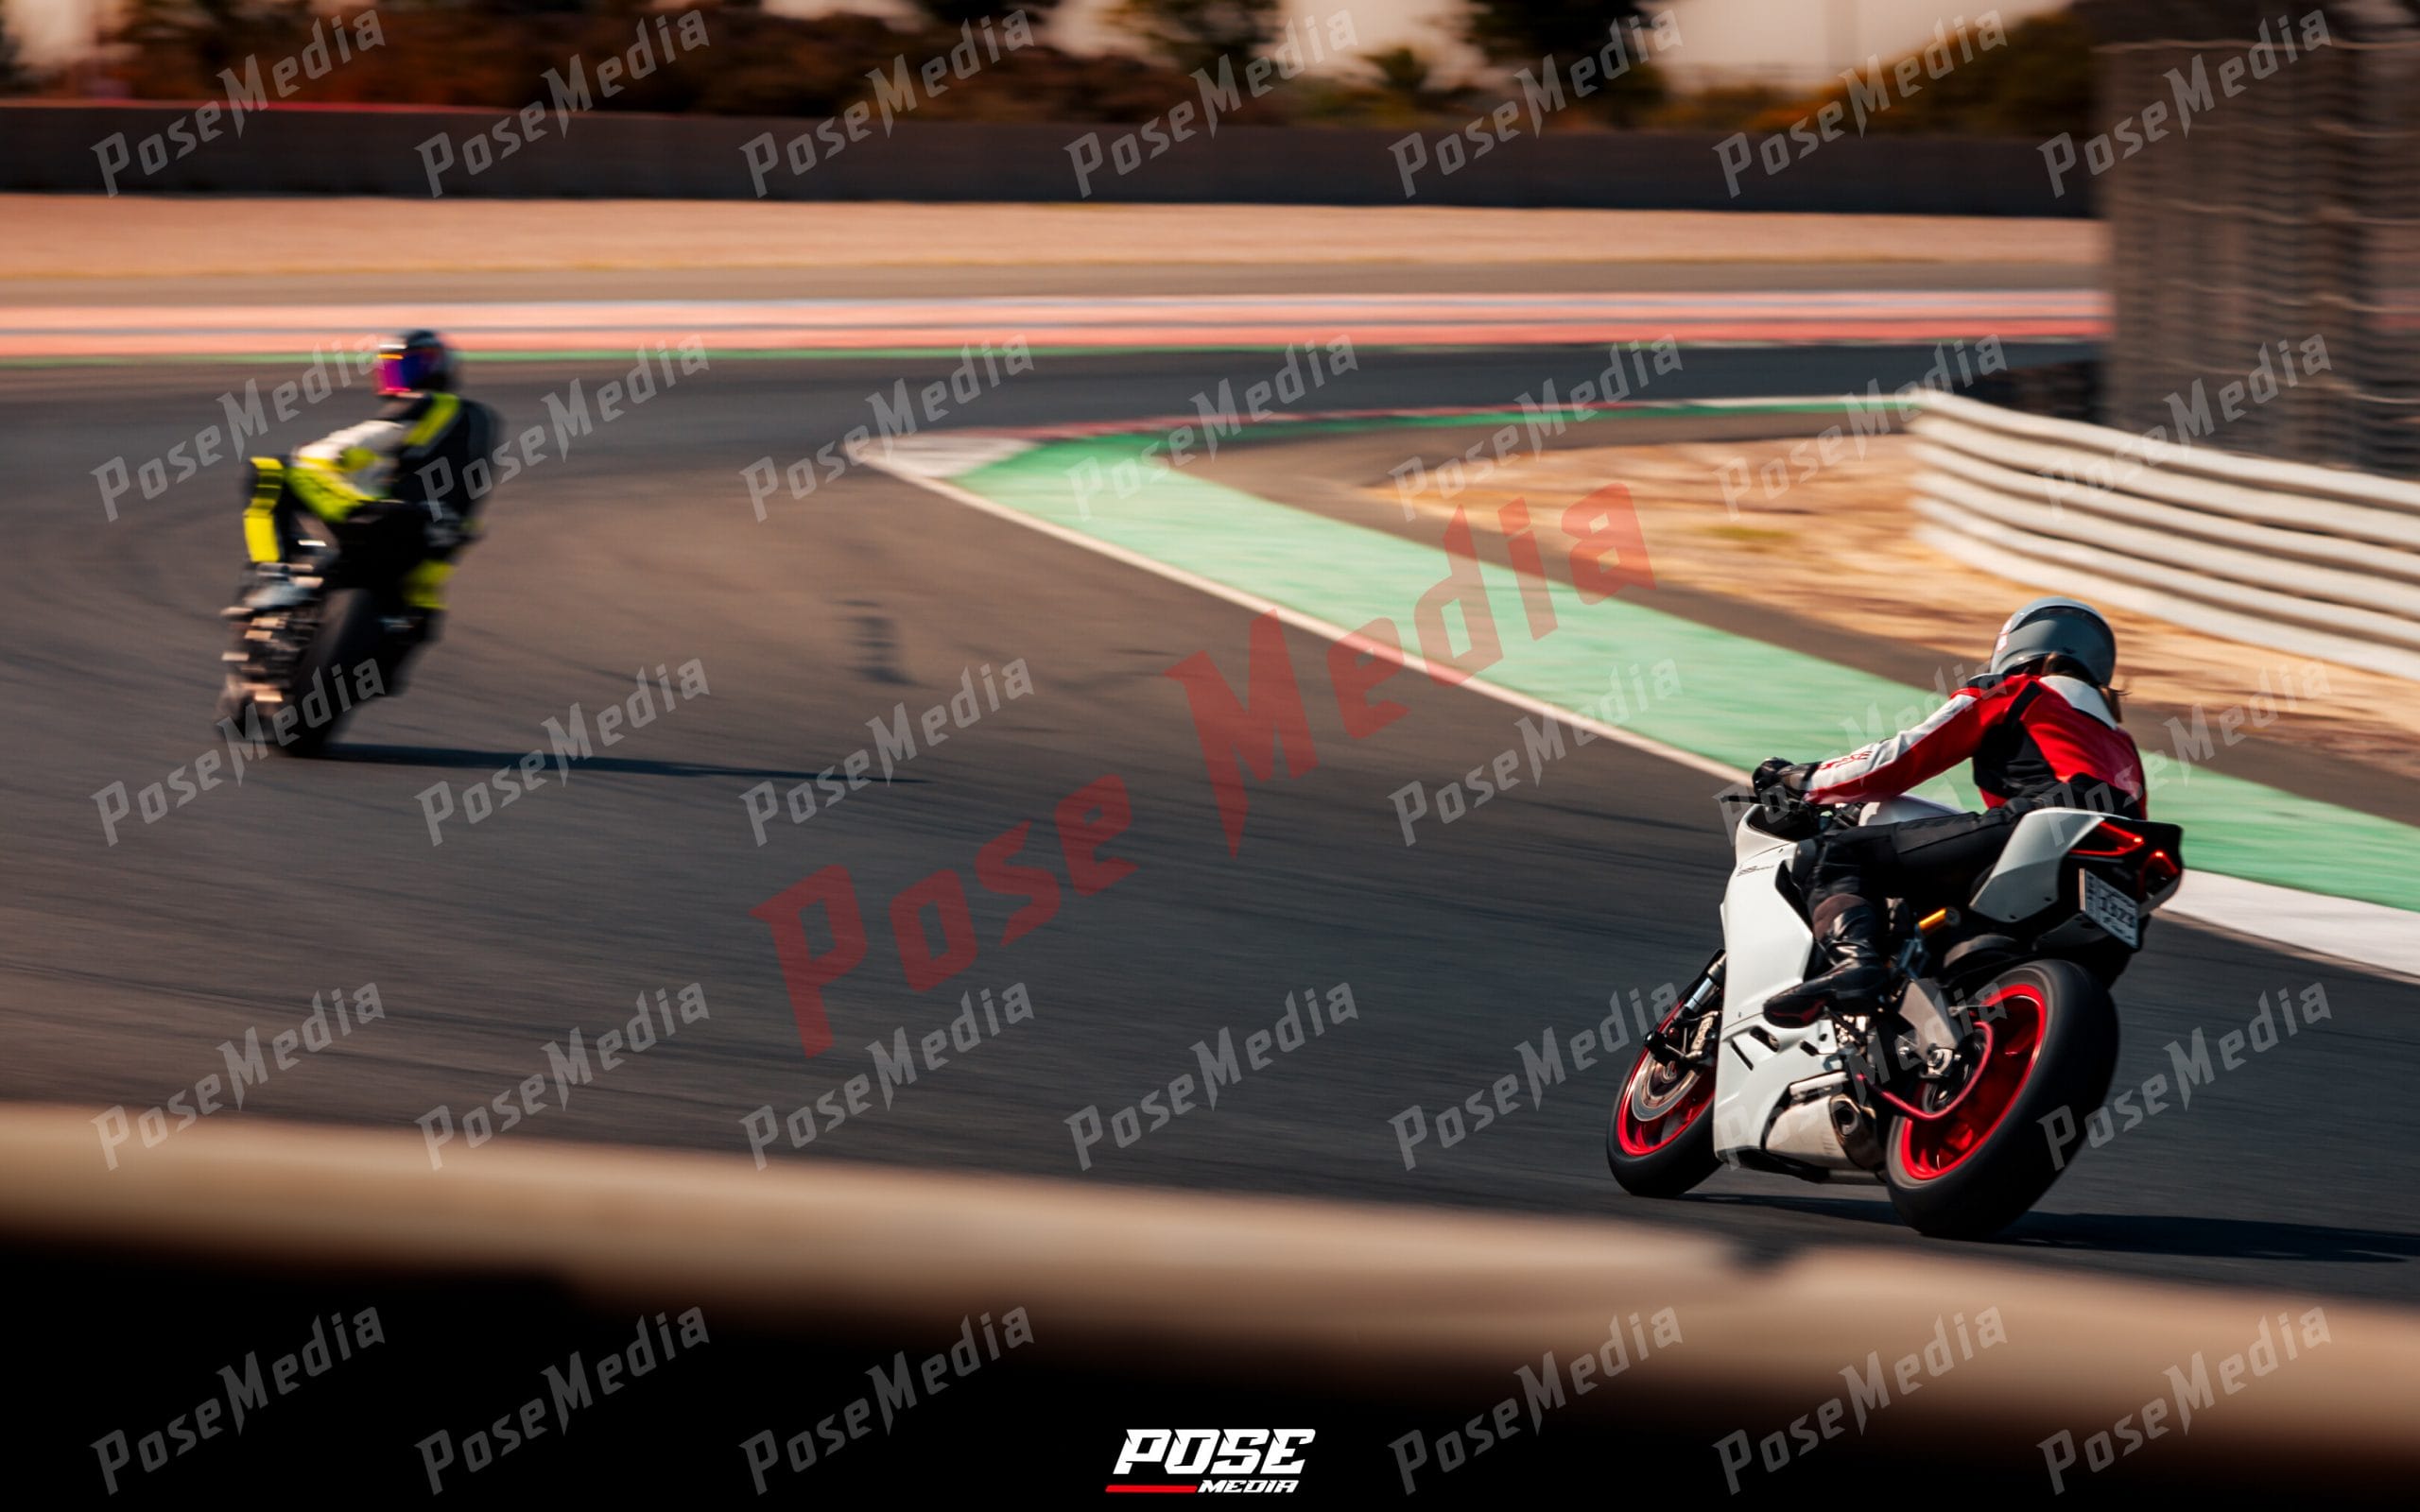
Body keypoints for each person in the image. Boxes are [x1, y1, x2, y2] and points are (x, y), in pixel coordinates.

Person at [1752, 596, 2149, 1025]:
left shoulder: (2015, 690)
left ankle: (1855, 965)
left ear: (2016, 645)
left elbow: (1898, 760)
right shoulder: (2121, 742)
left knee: (1835, 853)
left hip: (2044, 823)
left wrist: (1803, 780)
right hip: (2125, 880)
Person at [222, 330, 499, 696]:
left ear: (438, 368)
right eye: (395, 368)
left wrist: (316, 456)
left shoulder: (428, 406)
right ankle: (382, 652)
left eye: (411, 366)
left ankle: (275, 572)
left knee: (268, 471)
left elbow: (352, 447)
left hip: (381, 518)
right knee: (419, 612)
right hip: (436, 546)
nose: (404, 377)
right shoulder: (481, 424)